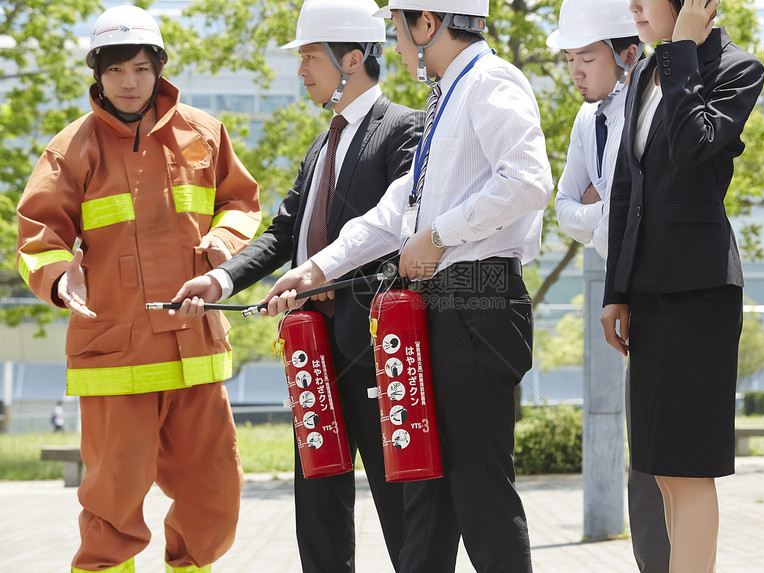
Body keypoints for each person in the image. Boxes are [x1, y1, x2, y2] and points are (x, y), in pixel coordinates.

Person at [179, 0, 552, 570]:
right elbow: (391, 213)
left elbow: (528, 181)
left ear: (428, 23)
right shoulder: (446, 97)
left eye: (399, 32)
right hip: (440, 306)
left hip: (478, 299)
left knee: (479, 495)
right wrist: (317, 268)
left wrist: (440, 234)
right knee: (426, 495)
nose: (396, 48)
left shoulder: (491, 80)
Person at [172, 0, 424, 571]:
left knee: (399, 502)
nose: (302, 69)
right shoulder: (321, 147)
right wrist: (219, 279)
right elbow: (285, 232)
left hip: (374, 349)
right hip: (312, 349)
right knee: (317, 501)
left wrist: (324, 281)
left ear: (352, 59)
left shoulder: (405, 129)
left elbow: (398, 232)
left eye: (311, 56)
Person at [15, 5, 260, 572]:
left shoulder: (203, 135)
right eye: (117, 69)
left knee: (215, 497)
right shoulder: (69, 150)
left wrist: (225, 240)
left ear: (159, 70)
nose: (130, 82)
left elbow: (241, 202)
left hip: (195, 350)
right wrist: (58, 275)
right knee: (112, 511)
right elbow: (38, 235)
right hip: (115, 357)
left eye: (142, 69)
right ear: (97, 73)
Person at [599, 0, 764, 571]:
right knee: (663, 470)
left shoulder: (736, 68)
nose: (633, 7)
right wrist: (615, 290)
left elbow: (693, 147)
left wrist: (682, 53)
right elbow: (628, 186)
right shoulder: (646, 70)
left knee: (687, 469)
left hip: (698, 293)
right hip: (649, 293)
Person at [548, 1, 670, 570]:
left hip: (661, 286)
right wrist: (607, 219)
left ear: (627, 55)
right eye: (570, 58)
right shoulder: (584, 119)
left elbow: (629, 205)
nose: (575, 71)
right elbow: (562, 207)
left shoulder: (649, 105)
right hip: (625, 285)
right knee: (641, 447)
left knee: (663, 449)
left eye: (586, 58)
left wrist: (604, 213)